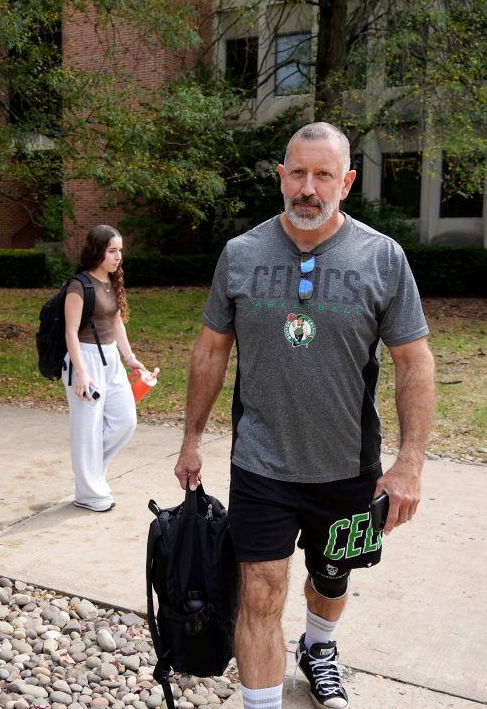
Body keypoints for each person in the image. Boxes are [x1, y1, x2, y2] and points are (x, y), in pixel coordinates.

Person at [172, 123, 435, 709]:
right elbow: (211, 349)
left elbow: (414, 362)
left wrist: (409, 464)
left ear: (347, 182)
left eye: (322, 175)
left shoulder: (382, 257)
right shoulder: (240, 254)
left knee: (331, 579)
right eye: (298, 173)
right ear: (281, 177)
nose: (308, 188)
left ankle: (319, 650)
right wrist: (191, 439)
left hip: (348, 465)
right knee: (260, 590)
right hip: (262, 462)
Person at [62, 224, 153, 512]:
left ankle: (93, 475)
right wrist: (81, 373)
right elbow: (70, 331)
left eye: (120, 251)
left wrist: (131, 358)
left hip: (110, 357)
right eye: (112, 251)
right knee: (87, 429)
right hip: (85, 359)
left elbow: (116, 323)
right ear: (97, 251)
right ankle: (88, 493)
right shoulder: (79, 286)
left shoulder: (110, 282)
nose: (118, 257)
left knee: (125, 420)